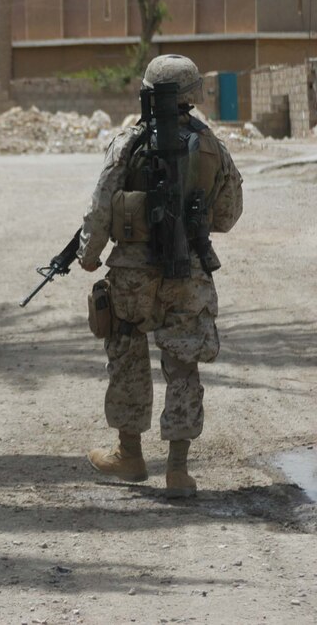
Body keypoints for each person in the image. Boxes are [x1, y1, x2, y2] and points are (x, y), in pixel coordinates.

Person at [77, 54, 244, 498]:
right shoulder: (212, 147)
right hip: (188, 273)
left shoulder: (127, 143)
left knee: (127, 353)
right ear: (193, 95)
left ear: (148, 94)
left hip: (132, 276)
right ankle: (178, 470)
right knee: (183, 364)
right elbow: (227, 216)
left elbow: (100, 206)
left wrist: (89, 255)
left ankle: (129, 455)